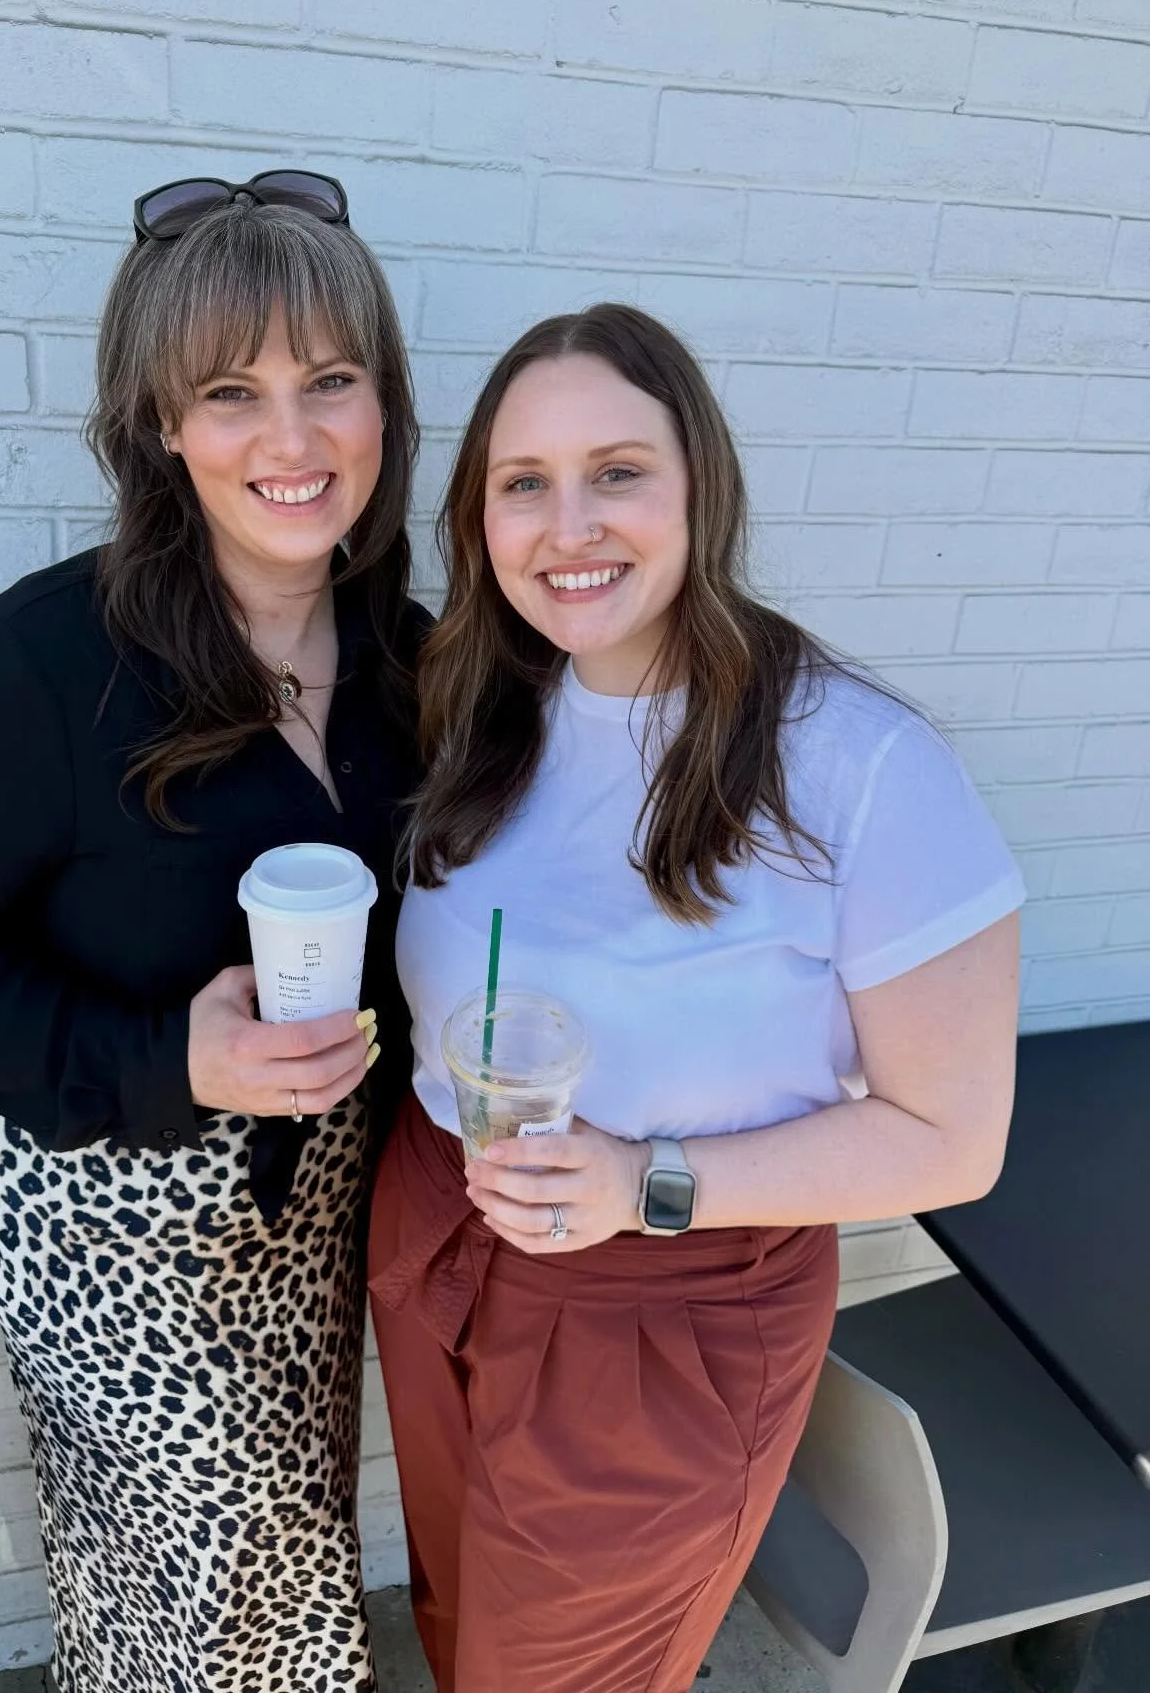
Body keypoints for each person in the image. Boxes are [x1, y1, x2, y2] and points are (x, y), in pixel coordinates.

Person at [371, 302, 1023, 1693]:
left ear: (699, 488)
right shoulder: (481, 704)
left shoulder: (858, 767)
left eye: (617, 472)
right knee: (461, 1624)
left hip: (660, 1299)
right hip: (443, 1227)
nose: (569, 526)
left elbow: (952, 1140)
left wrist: (645, 1182)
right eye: (524, 482)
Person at [0, 172, 428, 1693]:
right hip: (114, 1229)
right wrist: (171, 1059)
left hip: (316, 1212)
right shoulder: (30, 670)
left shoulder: (412, 657)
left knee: (259, 1576)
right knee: (230, 1618)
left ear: (384, 402)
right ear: (161, 424)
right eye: (230, 393)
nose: (292, 440)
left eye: (331, 380)